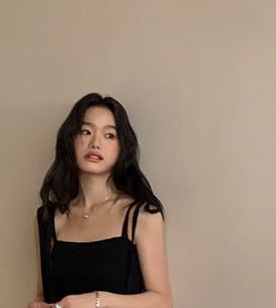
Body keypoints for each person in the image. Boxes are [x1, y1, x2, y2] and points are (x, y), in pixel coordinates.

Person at [27, 93, 173, 308]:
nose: (95, 143)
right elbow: (43, 295)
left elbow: (162, 302)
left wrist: (98, 300)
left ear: (122, 147)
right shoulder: (47, 219)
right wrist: (38, 305)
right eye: (86, 132)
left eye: (109, 135)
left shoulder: (141, 215)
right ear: (70, 140)